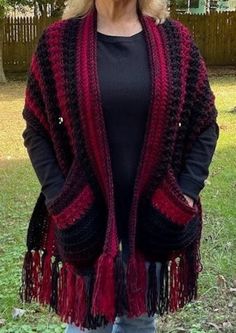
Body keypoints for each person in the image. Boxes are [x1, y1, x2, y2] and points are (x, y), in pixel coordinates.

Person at [20, 0, 219, 332]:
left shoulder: (175, 41)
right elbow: (36, 128)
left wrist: (184, 195)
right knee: (86, 326)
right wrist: (61, 200)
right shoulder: (58, 44)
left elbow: (206, 125)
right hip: (86, 222)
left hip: (152, 220)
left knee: (139, 324)